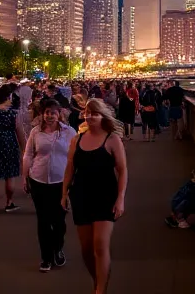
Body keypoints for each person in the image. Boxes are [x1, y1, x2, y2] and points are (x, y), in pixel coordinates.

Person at [62, 98, 127, 294]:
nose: (89, 117)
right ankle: (98, 280)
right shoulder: (77, 140)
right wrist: (64, 193)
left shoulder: (112, 140)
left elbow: (122, 170)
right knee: (86, 249)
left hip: (105, 194)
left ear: (102, 116)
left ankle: (100, 289)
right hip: (81, 194)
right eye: (87, 113)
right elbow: (70, 168)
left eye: (94, 113)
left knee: (100, 244)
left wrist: (120, 198)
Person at [22, 98, 75, 272]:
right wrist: (25, 177)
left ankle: (58, 248)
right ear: (42, 114)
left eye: (53, 112)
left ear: (59, 114)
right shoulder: (36, 132)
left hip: (61, 182)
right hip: (38, 181)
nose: (50, 116)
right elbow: (28, 155)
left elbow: (76, 156)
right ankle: (46, 257)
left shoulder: (69, 132)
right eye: (47, 113)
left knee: (59, 220)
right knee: (43, 221)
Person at [0, 84, 25, 217]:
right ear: (9, 96)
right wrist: (24, 149)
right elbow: (19, 132)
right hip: (10, 143)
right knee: (10, 175)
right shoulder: (14, 113)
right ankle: (9, 202)